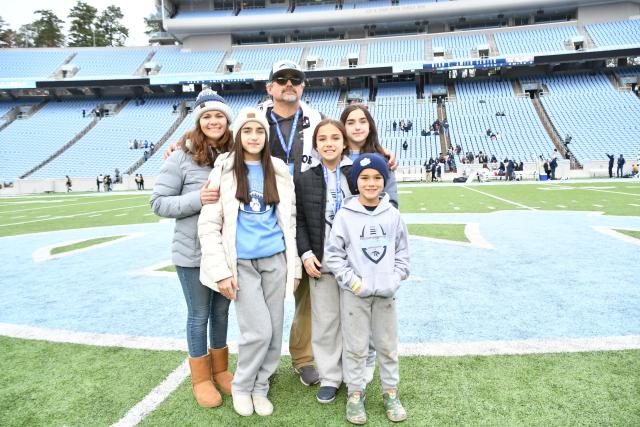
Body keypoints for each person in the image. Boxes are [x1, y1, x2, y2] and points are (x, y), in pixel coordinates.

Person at [197, 107, 301, 417]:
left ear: (266, 137)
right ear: (238, 135)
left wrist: (292, 266)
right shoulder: (225, 169)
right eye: (247, 131)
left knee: (274, 330)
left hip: (275, 260)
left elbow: (289, 223)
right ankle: (243, 385)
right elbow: (209, 225)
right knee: (257, 331)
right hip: (241, 264)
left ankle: (261, 387)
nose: (254, 137)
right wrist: (221, 271)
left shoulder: (278, 170)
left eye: (259, 131)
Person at [150, 89, 235, 408]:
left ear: (227, 122)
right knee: (199, 315)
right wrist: (196, 199)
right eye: (207, 116)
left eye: (219, 116)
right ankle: (201, 378)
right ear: (199, 122)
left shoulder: (235, 153)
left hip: (226, 253)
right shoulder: (180, 156)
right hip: (192, 254)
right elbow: (157, 202)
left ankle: (221, 369)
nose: (214, 121)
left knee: (222, 313)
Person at [325, 153, 410, 425]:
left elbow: (402, 254)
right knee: (356, 347)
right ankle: (355, 393)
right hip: (355, 295)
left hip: (385, 294)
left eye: (377, 178)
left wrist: (393, 279)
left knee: (387, 346)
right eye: (364, 178)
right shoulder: (344, 216)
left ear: (384, 181)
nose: (371, 183)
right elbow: (334, 256)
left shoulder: (393, 215)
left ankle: (390, 392)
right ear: (355, 182)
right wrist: (353, 282)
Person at [260, 59, 323, 386]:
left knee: (308, 293)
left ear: (302, 86)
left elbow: (343, 146)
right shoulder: (254, 120)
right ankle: (262, 363)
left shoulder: (316, 119)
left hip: (307, 214)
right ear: (270, 87)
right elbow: (217, 144)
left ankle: (303, 357)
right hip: (264, 216)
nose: (289, 84)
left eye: (295, 79)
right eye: (281, 79)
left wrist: (380, 150)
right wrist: (184, 142)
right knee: (264, 297)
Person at [295, 119, 358, 405]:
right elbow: (301, 223)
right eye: (323, 139)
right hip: (321, 264)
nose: (329, 143)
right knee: (325, 323)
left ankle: (356, 377)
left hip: (354, 264)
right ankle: (331, 377)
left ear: (344, 142)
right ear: (316, 145)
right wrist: (306, 254)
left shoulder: (356, 173)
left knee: (355, 321)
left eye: (335, 137)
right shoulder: (306, 177)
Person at [340, 104, 398, 208]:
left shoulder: (383, 160)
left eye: (363, 122)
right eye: (350, 123)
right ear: (343, 127)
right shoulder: (334, 159)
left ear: (370, 127)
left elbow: (391, 201)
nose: (357, 127)